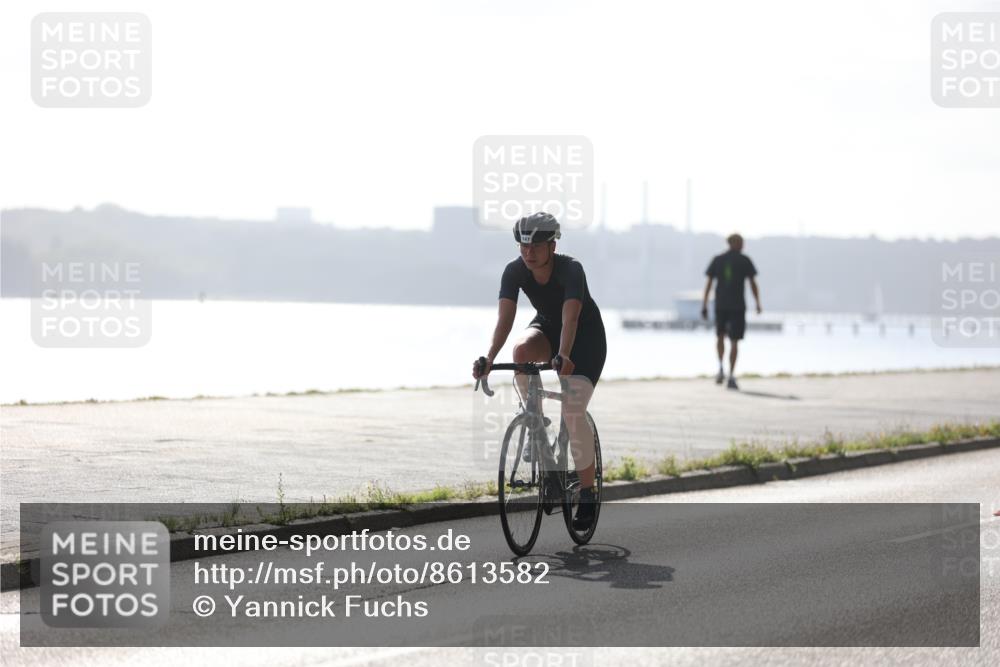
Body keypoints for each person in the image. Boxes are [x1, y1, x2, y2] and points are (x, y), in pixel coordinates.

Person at [472, 212, 607, 531]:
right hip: (547, 328)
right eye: (522, 246)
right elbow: (505, 321)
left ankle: (587, 493)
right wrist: (490, 357)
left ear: (552, 245)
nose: (527, 252)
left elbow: (571, 319)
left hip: (584, 338)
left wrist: (563, 354)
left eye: (535, 246)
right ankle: (534, 420)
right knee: (521, 351)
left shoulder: (571, 269)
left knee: (573, 412)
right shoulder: (514, 270)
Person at [701, 233, 761, 390]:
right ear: (734, 243)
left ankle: (724, 370)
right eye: (741, 242)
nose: (743, 245)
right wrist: (758, 303)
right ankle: (729, 374)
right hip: (736, 307)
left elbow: (708, 284)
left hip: (722, 306)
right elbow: (753, 284)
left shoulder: (718, 259)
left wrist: (705, 304)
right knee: (733, 340)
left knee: (722, 337)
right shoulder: (744, 260)